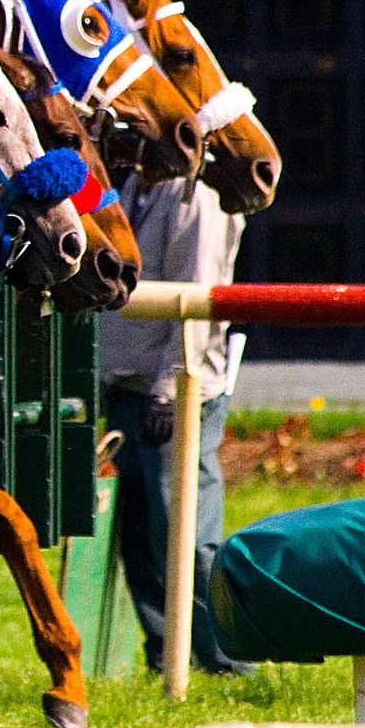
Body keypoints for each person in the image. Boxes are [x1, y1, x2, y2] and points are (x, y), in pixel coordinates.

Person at [98, 175, 252, 677]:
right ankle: (166, 654)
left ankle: (229, 661)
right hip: (128, 385)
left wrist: (168, 389)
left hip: (180, 390)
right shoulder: (129, 180)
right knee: (138, 535)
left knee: (187, 533)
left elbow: (198, 299)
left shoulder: (199, 195)